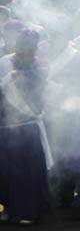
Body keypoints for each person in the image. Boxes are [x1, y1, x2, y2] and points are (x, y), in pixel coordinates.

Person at [0, 28, 50, 225]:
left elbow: (36, 95)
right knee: (6, 172)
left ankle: (29, 211)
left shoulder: (40, 68)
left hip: (27, 128)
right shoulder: (4, 63)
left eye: (28, 48)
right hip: (5, 127)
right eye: (20, 47)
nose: (23, 52)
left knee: (27, 173)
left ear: (35, 49)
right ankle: (10, 207)